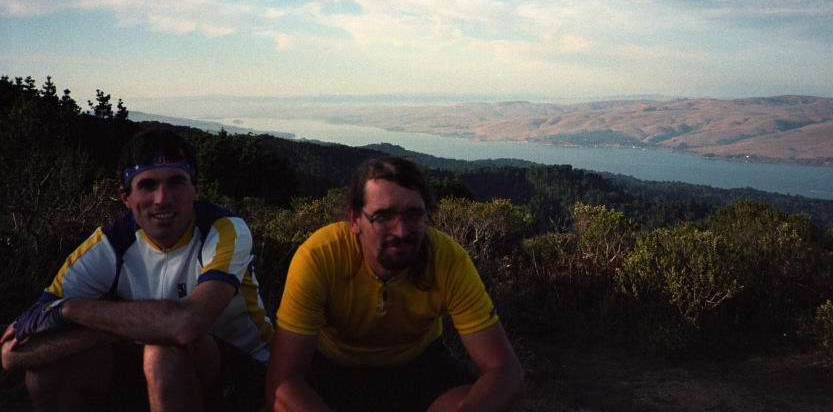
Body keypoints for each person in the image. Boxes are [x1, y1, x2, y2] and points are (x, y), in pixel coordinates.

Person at [1, 127, 274, 412]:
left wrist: (70, 309)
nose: (162, 198)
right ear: (126, 198)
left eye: (176, 182)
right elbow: (14, 353)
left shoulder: (224, 229)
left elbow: (186, 326)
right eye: (147, 185)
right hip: (157, 374)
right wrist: (117, 332)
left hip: (247, 375)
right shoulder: (109, 246)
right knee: (50, 368)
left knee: (164, 351)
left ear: (196, 190)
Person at [266, 156, 525, 412]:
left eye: (414, 215)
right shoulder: (321, 256)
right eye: (383, 216)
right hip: (332, 368)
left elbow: (504, 370)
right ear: (354, 220)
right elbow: (283, 382)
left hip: (417, 367)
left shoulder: (447, 258)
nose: (401, 232)